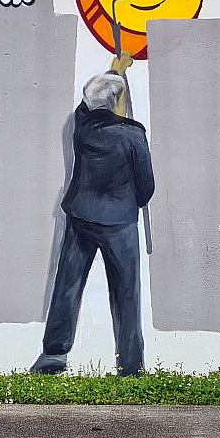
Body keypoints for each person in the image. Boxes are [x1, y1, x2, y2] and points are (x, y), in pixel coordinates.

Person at [30, 52, 154, 376]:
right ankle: (130, 365)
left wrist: (116, 69)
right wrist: (135, 202)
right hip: (119, 223)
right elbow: (147, 186)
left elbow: (93, 99)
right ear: (117, 103)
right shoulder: (133, 134)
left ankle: (52, 357)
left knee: (68, 287)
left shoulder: (82, 125)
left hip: (80, 218)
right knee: (126, 294)